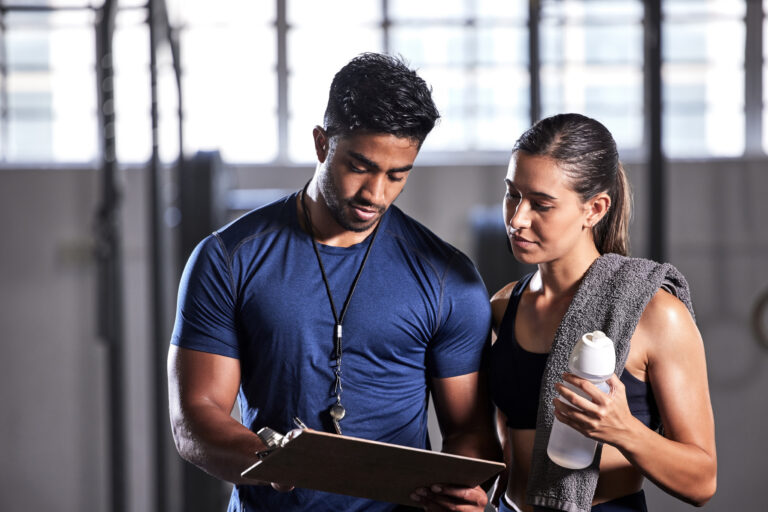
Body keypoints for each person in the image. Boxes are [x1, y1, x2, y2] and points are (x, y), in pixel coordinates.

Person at [167, 52, 501, 512]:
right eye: (360, 167)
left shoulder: (448, 279)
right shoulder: (228, 258)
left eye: (396, 175)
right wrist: (272, 461)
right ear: (322, 144)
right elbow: (195, 416)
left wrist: (459, 488)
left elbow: (469, 430)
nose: (375, 194)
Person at [487, 113, 716, 512]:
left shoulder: (656, 314)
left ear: (594, 209)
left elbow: (702, 481)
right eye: (512, 194)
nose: (517, 219)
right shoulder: (503, 307)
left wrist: (623, 429)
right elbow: (502, 448)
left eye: (541, 204)